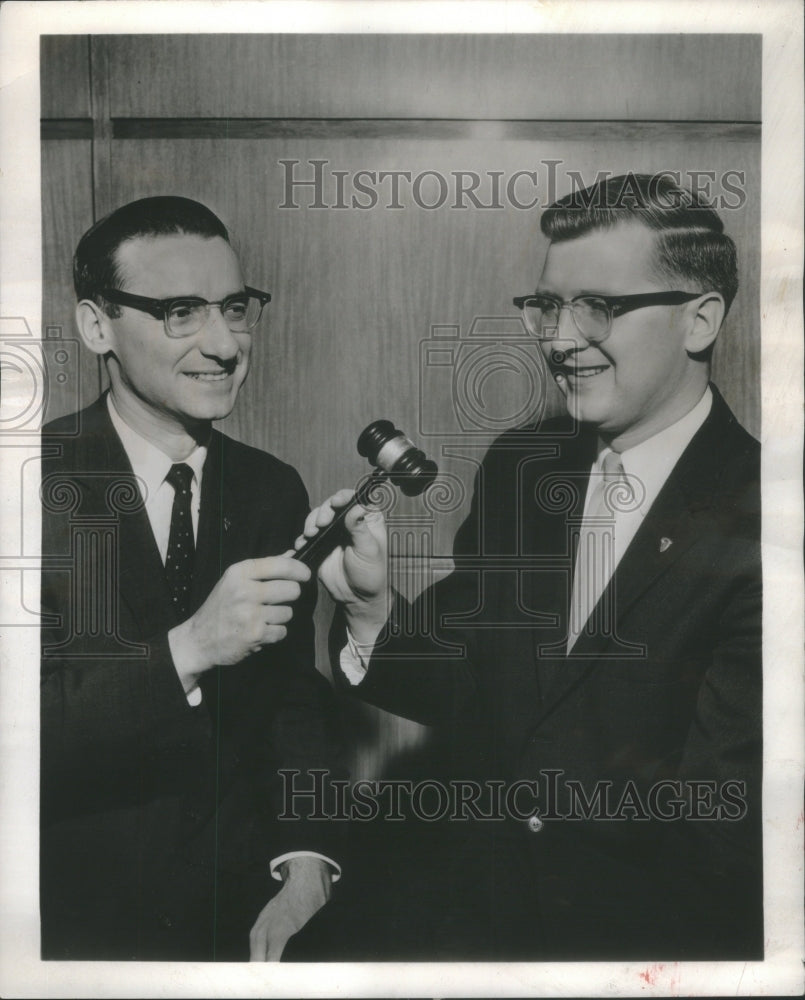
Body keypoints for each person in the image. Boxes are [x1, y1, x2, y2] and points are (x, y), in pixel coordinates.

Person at [303, 174, 762, 960]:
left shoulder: (769, 518)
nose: (558, 338)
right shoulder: (522, 467)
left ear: (700, 319)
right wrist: (371, 610)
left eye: (600, 307)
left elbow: (724, 832)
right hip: (465, 917)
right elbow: (474, 686)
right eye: (547, 305)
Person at [40, 196, 343, 961]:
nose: (223, 343)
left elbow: (291, 699)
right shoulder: (21, 480)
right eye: (180, 312)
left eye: (234, 308)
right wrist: (190, 647)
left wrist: (306, 861)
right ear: (96, 326)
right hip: (66, 926)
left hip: (236, 916)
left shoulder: (271, 487)